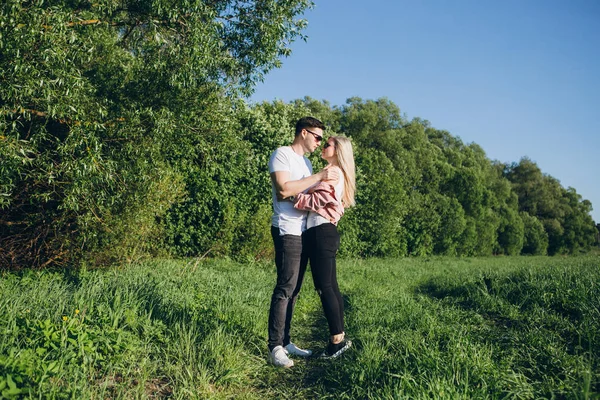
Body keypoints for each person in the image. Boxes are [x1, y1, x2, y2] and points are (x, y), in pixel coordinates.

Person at [267, 117, 339, 368]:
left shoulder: (306, 163)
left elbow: (310, 194)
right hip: (287, 229)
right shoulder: (282, 154)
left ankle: (286, 342)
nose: (319, 143)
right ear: (304, 133)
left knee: (296, 290)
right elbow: (284, 190)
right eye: (318, 137)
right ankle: (274, 346)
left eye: (322, 140)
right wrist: (318, 176)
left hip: (305, 231)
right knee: (285, 287)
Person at [294, 136, 355, 359]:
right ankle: (338, 337)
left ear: (337, 151)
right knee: (330, 286)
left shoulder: (334, 173)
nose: (323, 146)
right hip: (322, 232)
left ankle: (336, 341)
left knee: (325, 287)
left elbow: (317, 201)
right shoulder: (332, 172)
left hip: (321, 232)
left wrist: (294, 196)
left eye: (327, 144)